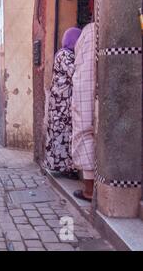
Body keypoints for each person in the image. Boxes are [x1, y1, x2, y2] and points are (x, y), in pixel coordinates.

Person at [44, 27, 82, 179]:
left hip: (60, 104)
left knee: (62, 134)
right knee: (64, 134)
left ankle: (64, 166)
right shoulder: (65, 55)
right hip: (62, 104)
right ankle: (66, 168)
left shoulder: (65, 54)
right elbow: (74, 72)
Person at [72, 22, 96, 202]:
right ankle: (90, 189)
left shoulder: (90, 32)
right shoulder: (92, 32)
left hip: (85, 96)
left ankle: (90, 189)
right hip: (91, 96)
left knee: (86, 134)